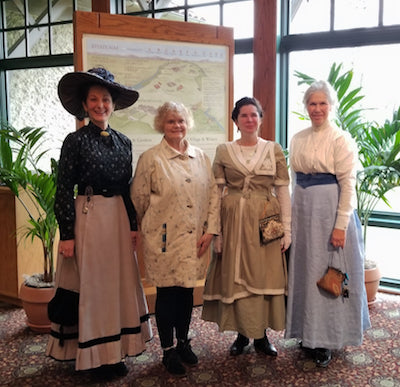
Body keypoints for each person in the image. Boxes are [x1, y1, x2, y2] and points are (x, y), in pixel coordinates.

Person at [46, 67, 152, 378]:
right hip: (88, 217)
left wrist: (133, 225)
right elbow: (64, 187)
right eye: (94, 99)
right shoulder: (74, 141)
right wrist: (67, 234)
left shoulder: (124, 141)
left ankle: (115, 351)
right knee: (93, 287)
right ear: (85, 104)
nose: (100, 105)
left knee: (117, 284)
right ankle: (94, 357)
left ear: (113, 104)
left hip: (118, 216)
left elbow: (127, 187)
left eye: (105, 99)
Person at [285, 80, 371, 367]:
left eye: (322, 103)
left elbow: (348, 185)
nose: (317, 108)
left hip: (331, 213)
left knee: (331, 275)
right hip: (304, 212)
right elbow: (294, 180)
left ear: (331, 106)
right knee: (307, 273)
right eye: (312, 103)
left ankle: (328, 339)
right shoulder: (297, 137)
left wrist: (340, 225)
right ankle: (307, 332)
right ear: (306, 107)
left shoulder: (341, 139)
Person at [131, 101, 219, 376]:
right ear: (161, 125)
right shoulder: (151, 159)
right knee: (167, 295)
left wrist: (210, 230)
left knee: (187, 294)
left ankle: (183, 342)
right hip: (164, 241)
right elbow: (139, 199)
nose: (177, 125)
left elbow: (214, 195)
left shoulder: (202, 157)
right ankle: (167, 350)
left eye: (181, 120)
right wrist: (156, 227)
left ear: (187, 123)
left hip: (196, 240)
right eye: (171, 121)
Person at [202, 97, 291, 357]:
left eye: (254, 114)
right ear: (236, 121)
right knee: (237, 274)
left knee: (265, 273)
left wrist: (288, 229)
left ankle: (261, 335)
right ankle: (242, 333)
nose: (249, 119)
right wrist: (215, 231)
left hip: (268, 216)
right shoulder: (224, 150)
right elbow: (216, 193)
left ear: (261, 119)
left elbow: (283, 191)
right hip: (234, 220)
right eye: (244, 115)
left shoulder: (274, 149)